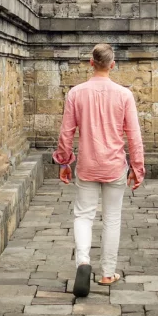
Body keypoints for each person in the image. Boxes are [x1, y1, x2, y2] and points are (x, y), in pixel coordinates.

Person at [52, 43, 145, 297]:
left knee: (83, 216)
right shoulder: (124, 95)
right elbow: (134, 136)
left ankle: (83, 261)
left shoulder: (76, 93)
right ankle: (107, 272)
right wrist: (137, 167)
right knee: (112, 218)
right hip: (115, 165)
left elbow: (66, 132)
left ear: (91, 63)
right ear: (112, 65)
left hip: (87, 165)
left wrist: (64, 161)